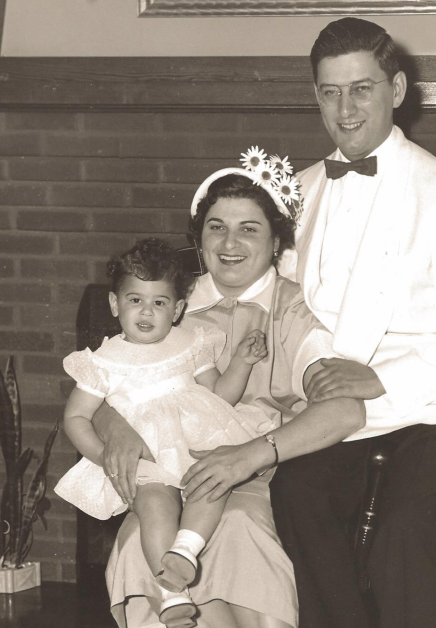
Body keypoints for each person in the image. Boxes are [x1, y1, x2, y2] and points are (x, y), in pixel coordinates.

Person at [181, 17, 436, 628]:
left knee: (405, 530)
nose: (346, 107)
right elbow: (247, 285)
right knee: (298, 496)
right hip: (335, 412)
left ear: (397, 88)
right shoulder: (295, 194)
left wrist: (379, 379)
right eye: (331, 92)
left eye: (362, 88)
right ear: (316, 97)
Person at [91, 150, 367, 628]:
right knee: (142, 534)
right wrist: (114, 425)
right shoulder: (170, 303)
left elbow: (345, 410)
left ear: (276, 239)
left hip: (260, 470)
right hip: (173, 469)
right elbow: (108, 377)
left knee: (239, 527)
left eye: (249, 228)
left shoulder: (295, 310)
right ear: (198, 239)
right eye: (216, 226)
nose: (230, 242)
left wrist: (250, 455)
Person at [56, 237, 270, 627]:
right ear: (114, 304)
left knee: (211, 484)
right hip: (147, 458)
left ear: (178, 309)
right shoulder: (104, 362)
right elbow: (76, 418)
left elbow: (220, 393)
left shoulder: (191, 343)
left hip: (198, 444)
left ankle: (185, 551)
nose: (147, 311)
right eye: (135, 300)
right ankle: (171, 593)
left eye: (159, 302)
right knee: (156, 505)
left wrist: (242, 362)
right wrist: (105, 458)